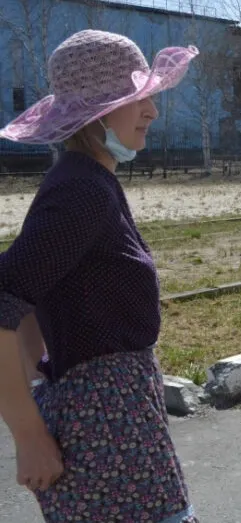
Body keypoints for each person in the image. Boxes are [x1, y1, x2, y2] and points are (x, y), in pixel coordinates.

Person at [0, 30, 200, 522]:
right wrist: (29, 433)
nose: (151, 111)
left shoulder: (89, 181)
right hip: (106, 435)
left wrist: (40, 377)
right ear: (98, 112)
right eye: (138, 98)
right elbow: (4, 296)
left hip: (119, 420)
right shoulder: (80, 191)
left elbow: (26, 288)